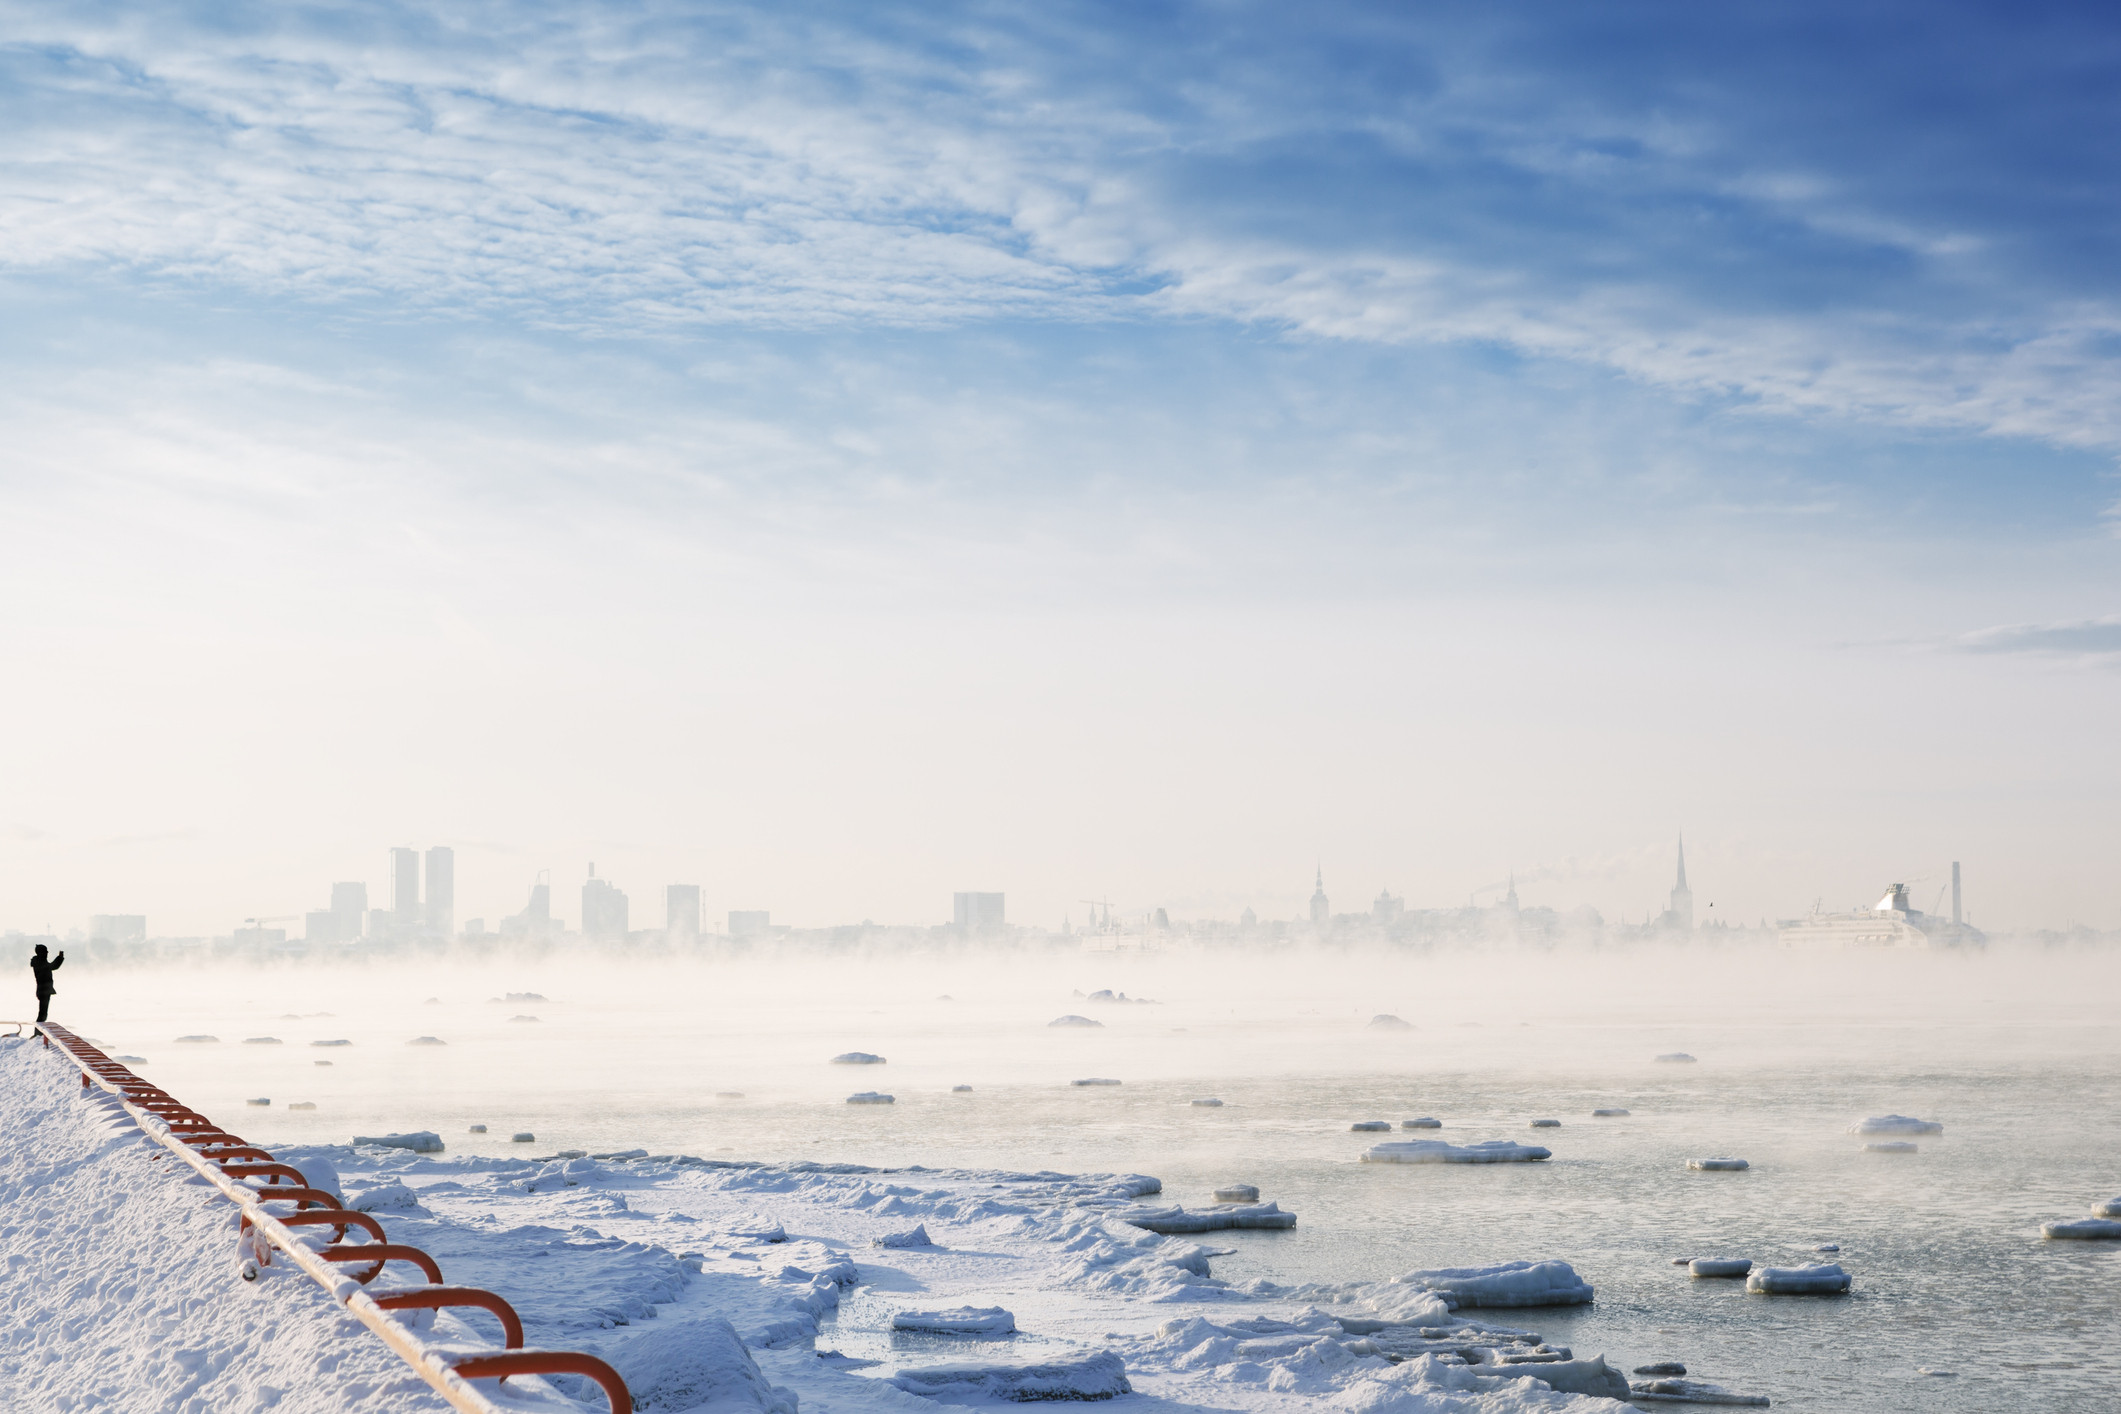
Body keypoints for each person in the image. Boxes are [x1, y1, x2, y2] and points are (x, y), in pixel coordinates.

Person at [31, 943, 64, 1025]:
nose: (47, 952)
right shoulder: (39, 963)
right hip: (43, 991)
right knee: (42, 1014)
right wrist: (59, 958)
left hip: (44, 991)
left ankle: (38, 1032)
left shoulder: (40, 962)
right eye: (46, 951)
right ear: (41, 953)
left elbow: (52, 967)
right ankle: (38, 1033)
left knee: (43, 1013)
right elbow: (52, 966)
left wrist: (60, 958)